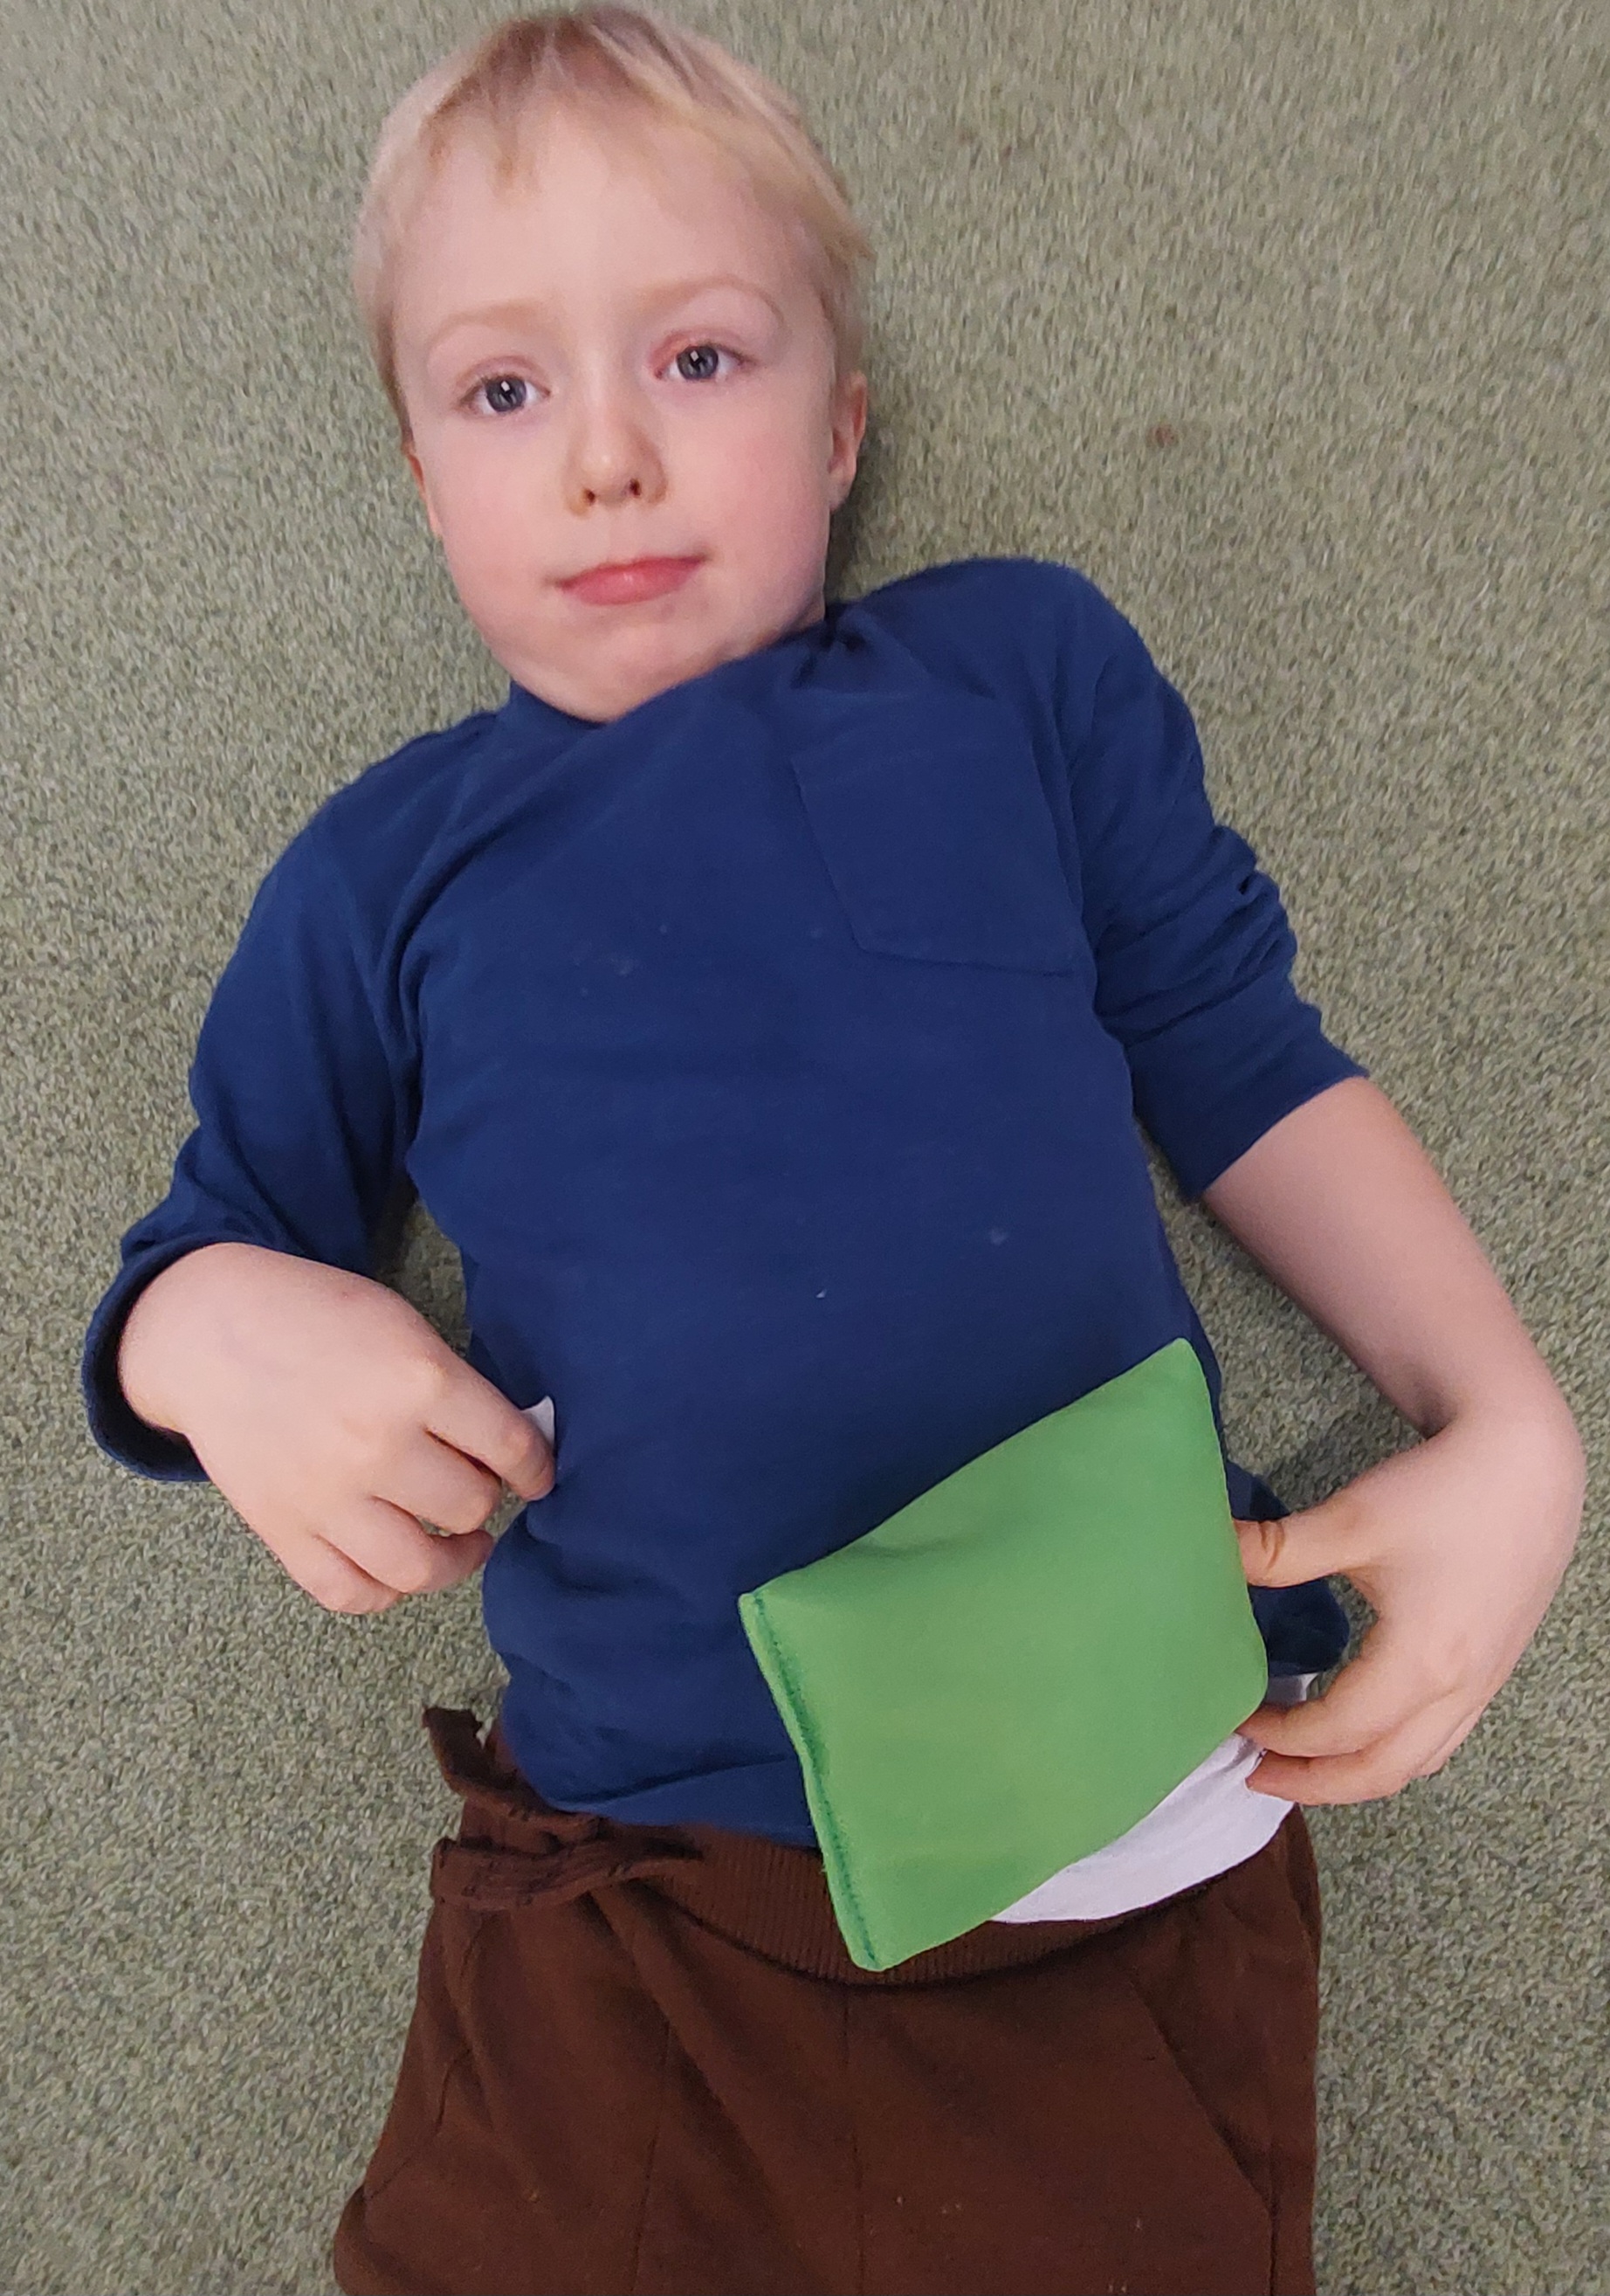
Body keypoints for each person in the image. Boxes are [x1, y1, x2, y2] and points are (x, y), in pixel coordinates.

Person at [79, 9, 1585, 2293]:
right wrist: (210, 1337)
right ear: (420, 478)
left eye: (697, 358)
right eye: (504, 390)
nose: (606, 457)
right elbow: (210, 1237)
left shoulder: (1016, 677)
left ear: (842, 422)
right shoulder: (381, 873)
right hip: (643, 1893)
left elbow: (1242, 1054)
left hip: (1120, 1847)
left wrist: (1508, 1423)